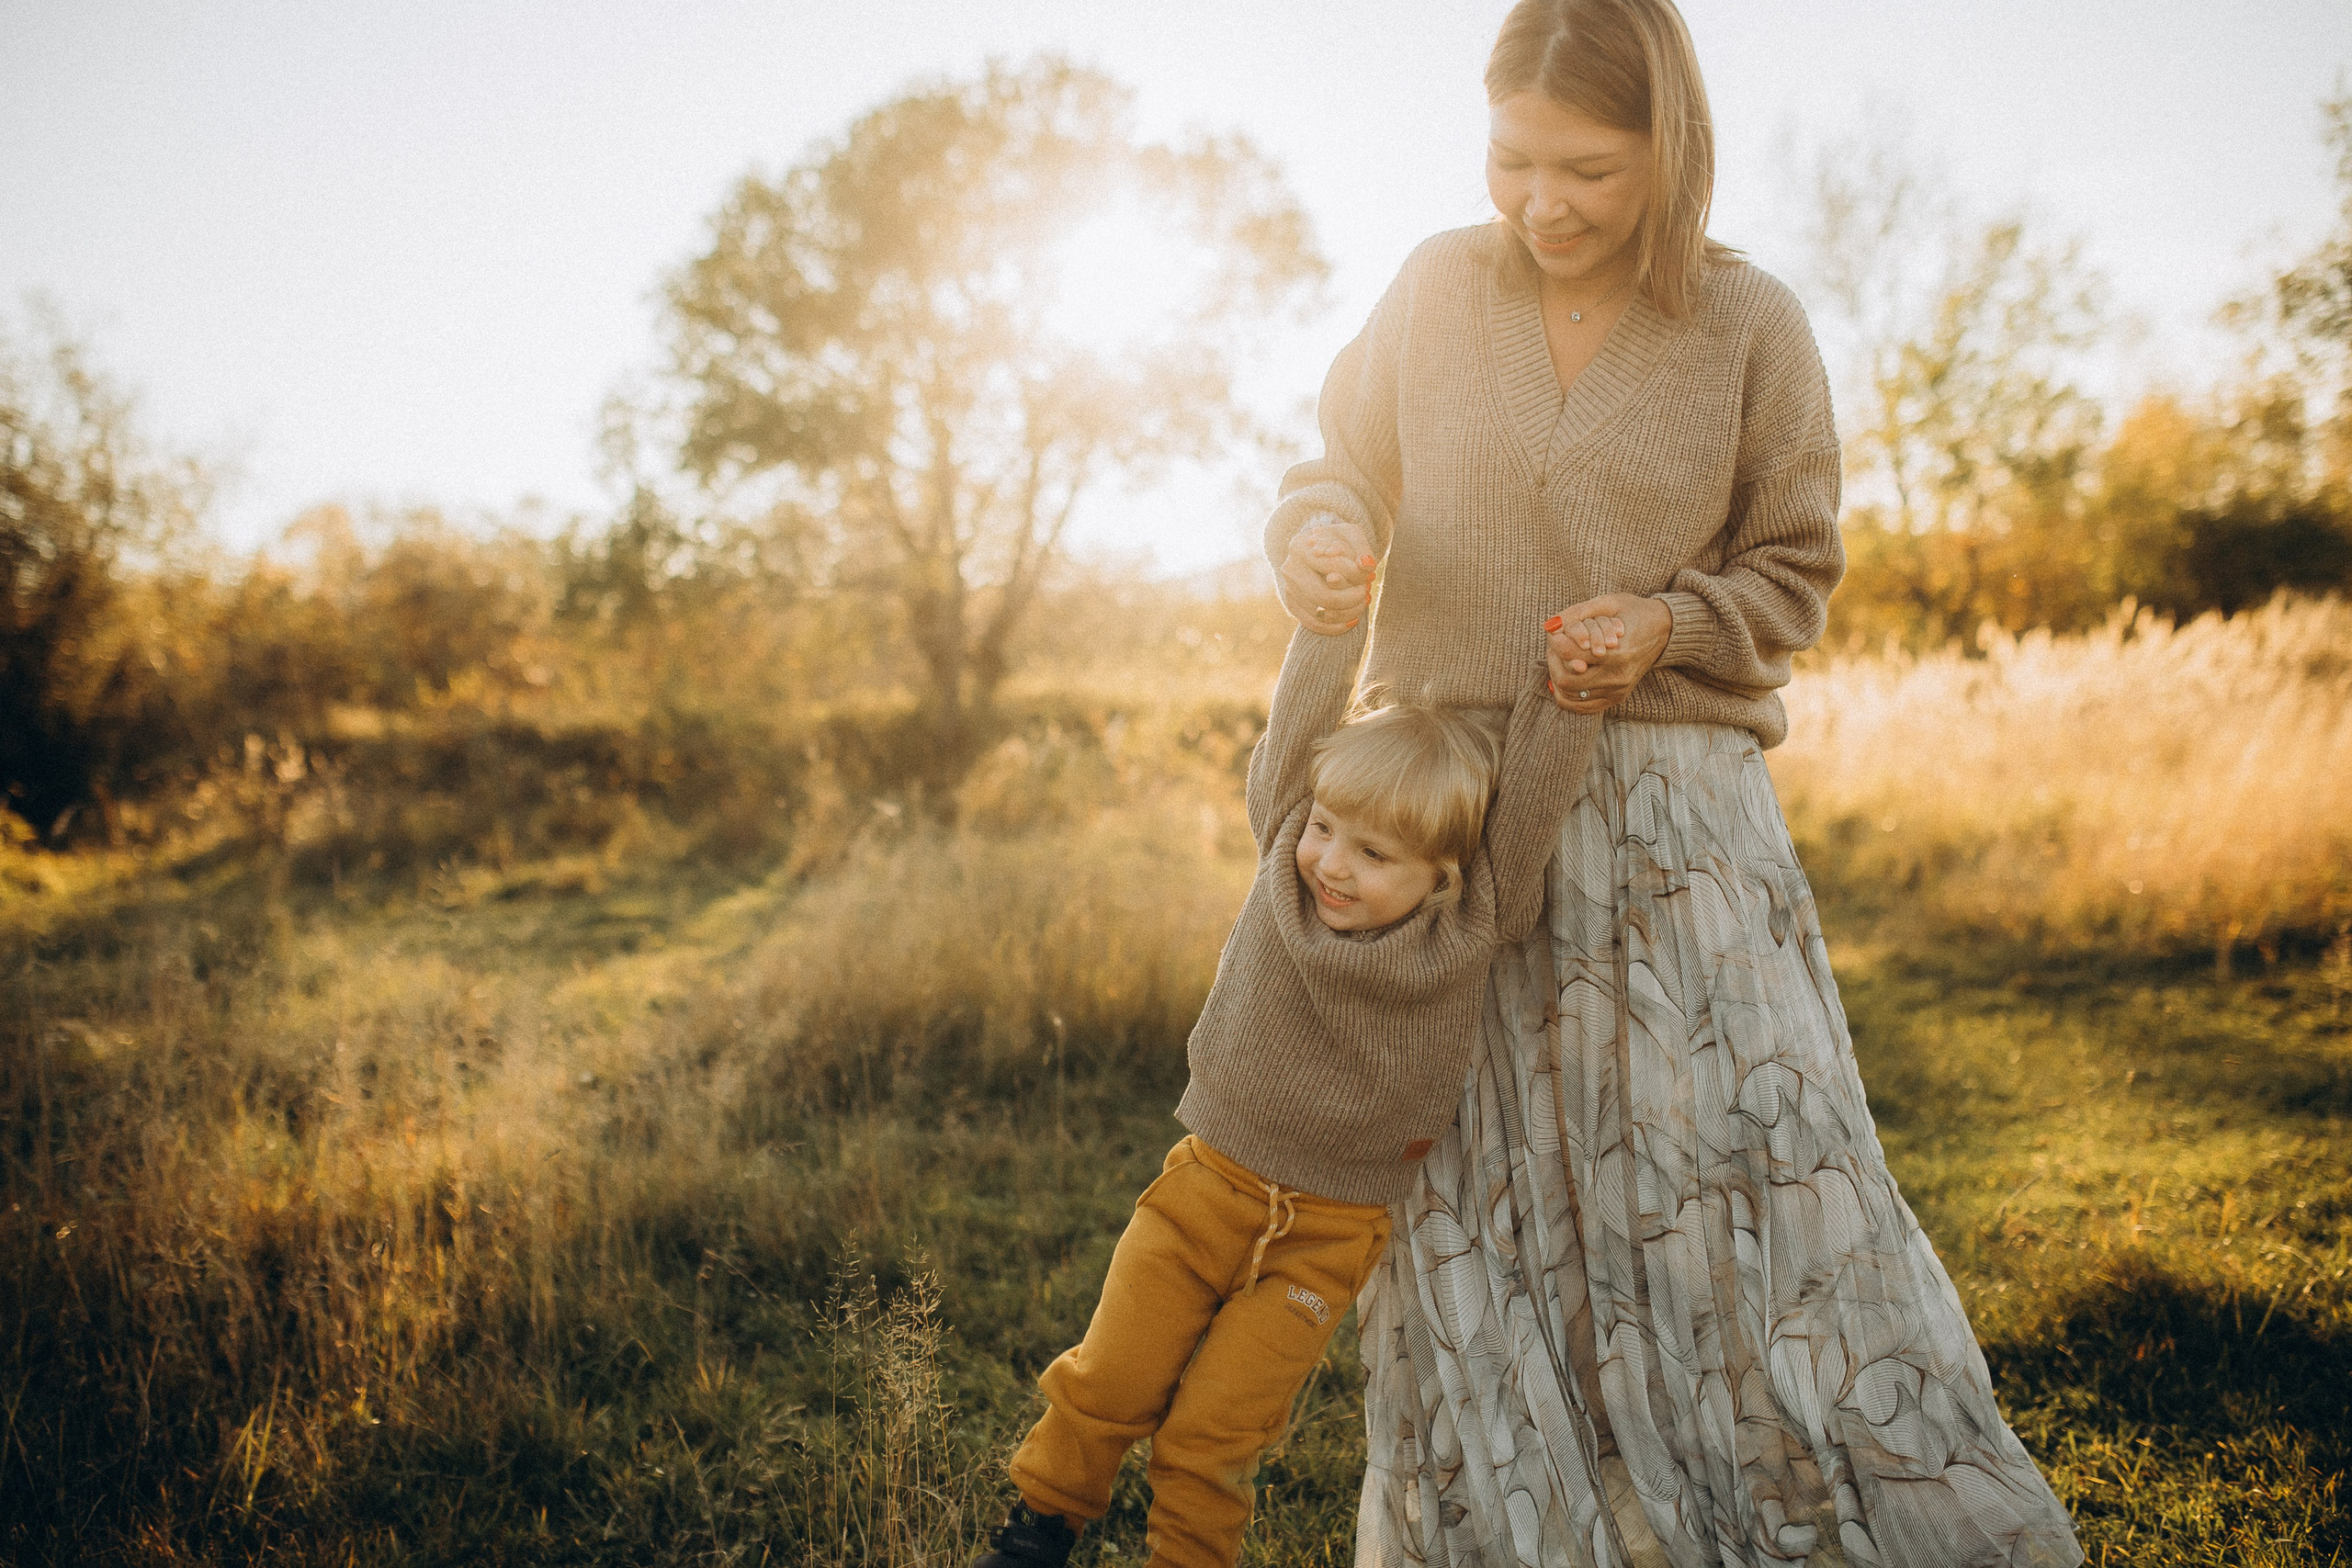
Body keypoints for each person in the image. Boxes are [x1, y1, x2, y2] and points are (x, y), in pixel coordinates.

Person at [1270, 2, 2086, 1564]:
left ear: (1672, 151)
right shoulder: (1437, 287)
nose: (1542, 203)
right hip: (1446, 825)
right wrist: (1316, 537)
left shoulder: (1748, 323)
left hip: (1669, 840)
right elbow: (1340, 465)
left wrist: (1669, 625)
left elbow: (1797, 567)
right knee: (1475, 1202)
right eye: (1514, 159)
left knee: (1730, 1195)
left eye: (1588, 170)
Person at [973, 614, 1604, 1568]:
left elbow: (1528, 812)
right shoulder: (1281, 867)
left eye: (1373, 854)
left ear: (1444, 876)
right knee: (1109, 1382)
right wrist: (1332, 617)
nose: (1331, 863)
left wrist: (1571, 693)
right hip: (1202, 1191)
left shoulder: (1475, 920)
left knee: (1213, 1437)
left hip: (1325, 1237)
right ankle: (1041, 1527)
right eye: (1324, 827)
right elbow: (1306, 709)